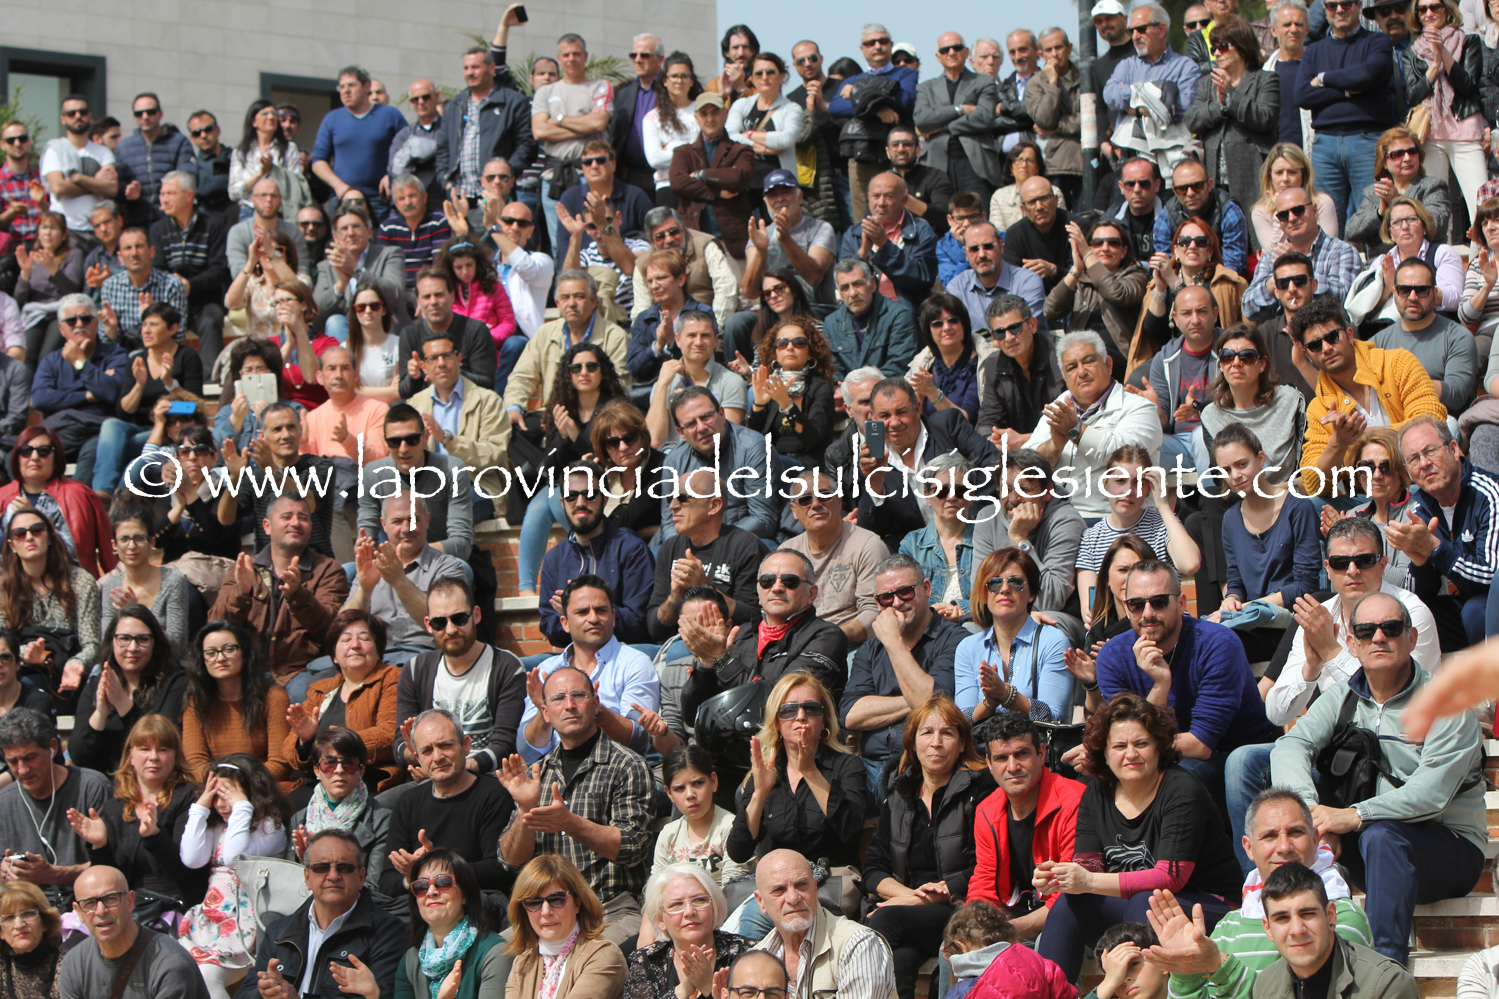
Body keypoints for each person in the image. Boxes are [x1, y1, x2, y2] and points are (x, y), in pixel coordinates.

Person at [1033, 693, 1242, 984]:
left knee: (1147, 900)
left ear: (1158, 747)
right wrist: (1061, 877)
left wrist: (1088, 881)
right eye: (1120, 746)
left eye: (1141, 744)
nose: (1130, 754)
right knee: (1069, 903)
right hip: (1139, 908)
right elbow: (1089, 867)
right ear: (1104, 752)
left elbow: (1170, 878)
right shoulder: (1095, 793)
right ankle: (1051, 992)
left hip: (1209, 906)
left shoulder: (1181, 790)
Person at [1095, 559, 1282, 844]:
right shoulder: (1113, 656)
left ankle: (1245, 870)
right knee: (1097, 778)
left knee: (1178, 774)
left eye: (1159, 602)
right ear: (1126, 606)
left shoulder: (1218, 644)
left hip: (1242, 757)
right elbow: (1130, 737)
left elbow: (1200, 745)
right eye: (1136, 604)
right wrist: (1160, 684)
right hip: (1171, 756)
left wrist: (1122, 748)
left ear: (1181, 603)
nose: (1148, 613)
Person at [1144, 788, 1374, 999]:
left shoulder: (1341, 917)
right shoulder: (1228, 927)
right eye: (1270, 836)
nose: (1284, 847)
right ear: (1248, 848)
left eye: (1296, 832)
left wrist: (1222, 967)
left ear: (1315, 839)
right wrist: (1186, 975)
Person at [496, 667, 654, 945]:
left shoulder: (628, 765)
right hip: (547, 914)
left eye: (578, 695)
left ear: (595, 704)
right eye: (558, 698)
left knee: (590, 959)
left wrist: (570, 822)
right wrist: (525, 810)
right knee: (495, 954)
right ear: (546, 713)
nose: (569, 705)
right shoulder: (537, 773)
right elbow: (510, 860)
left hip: (610, 910)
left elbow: (633, 847)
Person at [862, 697, 994, 999]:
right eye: (927, 732)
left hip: (960, 908)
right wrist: (910, 898)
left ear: (962, 744)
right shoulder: (899, 794)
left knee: (883, 921)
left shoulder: (979, 791)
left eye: (947, 733)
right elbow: (873, 867)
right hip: (910, 912)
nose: (936, 742)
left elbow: (982, 867)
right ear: (913, 742)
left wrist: (923, 900)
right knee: (899, 962)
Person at [1291, 297, 1446, 500]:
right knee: (1312, 504)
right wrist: (1338, 443)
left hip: (1423, 479)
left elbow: (1432, 424)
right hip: (1369, 498)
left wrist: (1360, 437)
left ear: (1349, 334)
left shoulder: (1398, 363)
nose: (1326, 348)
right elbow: (1314, 485)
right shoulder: (1318, 408)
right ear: (1307, 354)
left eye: (1332, 337)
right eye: (1315, 345)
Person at [716, 671, 868, 875]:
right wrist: (760, 793)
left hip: (832, 881)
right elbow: (738, 852)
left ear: (824, 721)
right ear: (776, 723)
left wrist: (811, 772)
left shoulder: (847, 765)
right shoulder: (765, 772)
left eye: (811, 708)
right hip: (778, 882)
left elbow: (851, 830)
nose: (801, 716)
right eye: (788, 710)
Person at [840, 555, 967, 795]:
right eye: (887, 598)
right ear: (878, 603)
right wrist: (916, 698)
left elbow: (934, 707)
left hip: (927, 766)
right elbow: (850, 714)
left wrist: (893, 642)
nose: (897, 603)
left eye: (905, 592)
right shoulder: (870, 649)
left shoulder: (956, 640)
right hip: (871, 767)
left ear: (926, 588)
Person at [235, 827, 405, 999]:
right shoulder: (278, 932)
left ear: (361, 877)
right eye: (321, 867)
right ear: (307, 877)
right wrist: (264, 992)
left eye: (344, 868)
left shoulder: (389, 933)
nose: (333, 876)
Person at [676, 547, 848, 717]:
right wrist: (706, 664)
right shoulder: (739, 634)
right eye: (767, 581)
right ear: (758, 592)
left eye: (790, 581)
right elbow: (693, 715)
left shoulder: (827, 637)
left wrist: (721, 660)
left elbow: (779, 706)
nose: (777, 587)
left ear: (812, 593)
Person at [209, 492, 348, 697]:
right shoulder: (245, 568)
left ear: (310, 527)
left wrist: (298, 596)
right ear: (267, 526)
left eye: (303, 518)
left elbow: (332, 631)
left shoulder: (328, 570)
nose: (295, 523)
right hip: (248, 670)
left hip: (302, 671)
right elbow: (215, 626)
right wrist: (241, 594)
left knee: (304, 695)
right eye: (286, 517)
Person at [387, 577, 526, 781]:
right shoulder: (415, 670)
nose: (451, 629)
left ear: (476, 615)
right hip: (430, 781)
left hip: (487, 780)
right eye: (439, 622)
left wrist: (459, 769)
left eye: (459, 619)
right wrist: (419, 757)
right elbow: (400, 745)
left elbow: (506, 744)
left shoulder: (507, 667)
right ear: (428, 625)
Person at [517, 343, 626, 596]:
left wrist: (576, 436)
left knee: (556, 497)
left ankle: (589, 557)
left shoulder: (614, 407)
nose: (583, 372)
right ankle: (525, 588)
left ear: (602, 371)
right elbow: (548, 466)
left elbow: (610, 455)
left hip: (607, 485)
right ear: (569, 374)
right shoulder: (562, 408)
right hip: (566, 485)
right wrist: (563, 437)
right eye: (576, 368)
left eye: (591, 366)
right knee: (539, 505)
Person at [178, 754, 291, 999]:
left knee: (208, 976)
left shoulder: (270, 826)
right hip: (211, 918)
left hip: (246, 923)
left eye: (227, 795)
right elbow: (191, 858)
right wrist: (200, 808)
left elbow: (233, 857)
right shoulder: (218, 827)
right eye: (216, 795)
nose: (221, 804)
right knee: (185, 971)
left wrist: (241, 806)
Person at [1207, 425, 1323, 661]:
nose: (1235, 475)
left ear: (1261, 459)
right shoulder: (1230, 519)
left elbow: (1305, 585)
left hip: (1293, 622)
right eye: (1226, 470)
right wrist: (1231, 599)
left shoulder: (1298, 508)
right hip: (1252, 621)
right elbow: (1236, 579)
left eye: (1242, 464)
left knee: (1218, 647)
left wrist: (1247, 606)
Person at [66, 715, 196, 924]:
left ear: (175, 756)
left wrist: (154, 835)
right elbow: (109, 877)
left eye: (163, 749)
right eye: (144, 749)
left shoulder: (189, 799)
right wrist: (99, 846)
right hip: (125, 907)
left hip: (173, 906)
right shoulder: (114, 807)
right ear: (131, 757)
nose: (153, 757)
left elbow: (186, 871)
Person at [967, 713, 1086, 939]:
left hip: (1067, 918)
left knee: (1045, 940)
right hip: (1014, 915)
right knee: (953, 946)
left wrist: (1003, 933)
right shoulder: (986, 811)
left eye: (1022, 754)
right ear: (989, 764)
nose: (1013, 767)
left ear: (1041, 753)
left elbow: (1069, 895)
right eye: (1001, 758)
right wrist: (972, 928)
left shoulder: (1075, 802)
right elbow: (984, 885)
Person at [519, 574, 663, 760]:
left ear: (613, 617)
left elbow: (638, 740)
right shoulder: (546, 670)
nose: (593, 618)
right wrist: (543, 712)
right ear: (565, 623)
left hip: (616, 770)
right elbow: (527, 751)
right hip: (556, 771)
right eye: (582, 612)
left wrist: (595, 709)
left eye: (601, 610)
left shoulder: (635, 663)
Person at [1025, 331, 1163, 523]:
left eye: (1088, 361)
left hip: (1112, 519)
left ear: (1108, 365)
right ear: (1064, 377)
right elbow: (1026, 467)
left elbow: (1125, 460)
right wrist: (1054, 446)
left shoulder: (1140, 408)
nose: (1081, 372)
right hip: (1056, 518)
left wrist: (1075, 430)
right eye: (1072, 367)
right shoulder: (1059, 407)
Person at [1388, 415, 1499, 647]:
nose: (1424, 463)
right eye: (1414, 459)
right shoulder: (1420, 509)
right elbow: (1417, 593)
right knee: (1409, 617)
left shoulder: (1490, 494)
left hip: (1488, 603)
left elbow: (1490, 577)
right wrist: (1420, 562)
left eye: (1430, 451)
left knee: (1475, 611)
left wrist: (1435, 549)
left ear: (1454, 449)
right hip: (1466, 605)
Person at [381, 708, 516, 900]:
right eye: (427, 750)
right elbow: (387, 883)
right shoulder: (407, 802)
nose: (437, 757)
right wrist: (410, 877)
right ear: (418, 758)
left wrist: (433, 869)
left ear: (466, 745)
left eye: (445, 745)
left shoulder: (495, 795)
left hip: (477, 906)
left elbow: (500, 870)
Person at [854, 378, 999, 551]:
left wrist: (969, 521)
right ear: (873, 418)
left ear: (917, 409)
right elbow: (872, 531)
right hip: (918, 553)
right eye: (885, 416)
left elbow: (993, 463)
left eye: (901, 412)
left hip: (975, 537)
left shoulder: (948, 425)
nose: (894, 422)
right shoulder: (869, 461)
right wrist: (875, 484)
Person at [500, 270, 631, 458]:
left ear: (594, 301)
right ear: (557, 303)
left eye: (579, 296)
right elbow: (522, 376)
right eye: (565, 297)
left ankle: (555, 468)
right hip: (552, 414)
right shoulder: (545, 333)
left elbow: (619, 388)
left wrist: (577, 416)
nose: (572, 303)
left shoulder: (614, 336)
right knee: (513, 428)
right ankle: (547, 472)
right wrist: (513, 406)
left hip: (594, 416)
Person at [1296, 0, 1396, 230]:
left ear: (1359, 5)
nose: (1339, 10)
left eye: (1346, 3)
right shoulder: (1313, 50)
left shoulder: (1377, 41)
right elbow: (1302, 95)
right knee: (1325, 221)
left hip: (1368, 140)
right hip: (1325, 144)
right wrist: (1348, 90)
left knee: (1373, 216)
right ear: (1324, 9)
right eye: (1332, 5)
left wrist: (1323, 79)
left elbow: (1367, 75)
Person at [1250, 863, 1418, 999]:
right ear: (1268, 928)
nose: (1297, 930)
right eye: (1282, 918)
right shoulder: (1266, 986)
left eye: (1308, 914)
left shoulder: (1386, 983)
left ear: (1330, 915)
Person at [749, 848, 897, 999]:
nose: (793, 898)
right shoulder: (756, 958)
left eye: (801, 884)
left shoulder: (858, 945)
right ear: (761, 902)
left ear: (815, 888)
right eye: (779, 890)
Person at [535, 468, 655, 649]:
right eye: (571, 496)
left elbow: (640, 622)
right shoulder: (554, 558)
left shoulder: (632, 549)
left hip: (624, 651)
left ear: (604, 499)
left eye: (589, 495)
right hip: (576, 655)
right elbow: (549, 626)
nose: (580, 503)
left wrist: (582, 609)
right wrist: (574, 616)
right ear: (562, 502)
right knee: (526, 663)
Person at [282, 607, 401, 789]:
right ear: (334, 656)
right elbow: (290, 752)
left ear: (378, 650)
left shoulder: (392, 678)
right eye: (346, 640)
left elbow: (391, 733)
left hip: (368, 781)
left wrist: (341, 741)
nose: (355, 645)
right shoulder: (319, 689)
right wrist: (306, 741)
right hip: (320, 783)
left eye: (364, 638)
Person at [0, 709, 110, 906]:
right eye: (13, 761)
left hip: (88, 906)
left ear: (53, 747)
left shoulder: (92, 787)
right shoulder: (5, 802)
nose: (22, 770)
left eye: (30, 758)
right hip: (29, 911)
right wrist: (5, 873)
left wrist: (54, 874)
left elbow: (117, 865)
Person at [93, 302, 206, 493]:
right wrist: (139, 384)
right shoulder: (136, 359)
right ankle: (103, 492)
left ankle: (118, 498)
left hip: (170, 427)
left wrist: (169, 382)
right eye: (144, 324)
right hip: (140, 428)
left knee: (123, 452)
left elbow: (195, 405)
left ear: (172, 329)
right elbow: (124, 411)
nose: (146, 330)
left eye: (153, 324)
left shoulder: (186, 356)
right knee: (111, 425)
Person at [1076, 446, 1200, 614]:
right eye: (1120, 481)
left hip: (1168, 620)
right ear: (1105, 484)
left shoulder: (1163, 523)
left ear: (1149, 488)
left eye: (1138, 483)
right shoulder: (1091, 538)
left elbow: (1190, 565)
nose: (1128, 491)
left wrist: (1164, 507)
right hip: (1117, 626)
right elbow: (1091, 609)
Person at [59, 865, 210, 999]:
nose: (101, 911)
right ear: (78, 912)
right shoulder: (75, 963)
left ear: (130, 901)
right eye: (89, 903)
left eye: (111, 899)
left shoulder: (170, 962)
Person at [68, 604, 187, 774]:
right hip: (105, 783)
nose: (132, 648)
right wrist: (100, 713)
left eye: (143, 639)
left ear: (155, 642)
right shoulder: (98, 683)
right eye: (124, 639)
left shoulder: (176, 682)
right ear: (112, 641)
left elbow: (161, 744)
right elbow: (78, 756)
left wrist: (122, 703)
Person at [0, 507, 100, 704]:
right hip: (18, 669)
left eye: (37, 530)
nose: (29, 537)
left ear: (50, 537)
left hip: (69, 669)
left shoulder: (80, 582)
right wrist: (24, 654)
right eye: (20, 534)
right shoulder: (3, 587)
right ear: (12, 545)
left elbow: (92, 643)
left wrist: (77, 662)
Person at [180, 619, 295, 789]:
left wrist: (236, 781)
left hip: (263, 788)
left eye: (229, 650)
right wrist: (223, 783)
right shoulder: (196, 701)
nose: (220, 658)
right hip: (214, 788)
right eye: (211, 653)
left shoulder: (274, 698)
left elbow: (280, 765)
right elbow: (195, 763)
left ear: (245, 654)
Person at [657, 388, 780, 543]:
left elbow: (763, 519)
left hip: (741, 541)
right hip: (692, 543)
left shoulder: (753, 448)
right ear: (681, 433)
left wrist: (711, 542)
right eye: (690, 424)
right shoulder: (674, 461)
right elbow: (670, 523)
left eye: (706, 416)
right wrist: (687, 547)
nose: (701, 427)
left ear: (721, 414)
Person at [355, 404, 475, 561]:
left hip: (440, 561)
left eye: (412, 440)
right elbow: (367, 536)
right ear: (385, 442)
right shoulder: (372, 474)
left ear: (425, 437)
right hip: (393, 563)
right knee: (348, 570)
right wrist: (364, 548)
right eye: (394, 442)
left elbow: (461, 545)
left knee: (461, 566)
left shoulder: (452, 470)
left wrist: (410, 553)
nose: (403, 449)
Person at [503, 853, 627, 999]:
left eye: (557, 899)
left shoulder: (604, 955)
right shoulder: (522, 963)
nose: (546, 911)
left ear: (577, 903)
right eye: (533, 903)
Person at [283, 728, 391, 894]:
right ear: (317, 771)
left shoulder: (381, 820)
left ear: (361, 771)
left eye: (349, 764)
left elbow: (373, 887)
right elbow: (291, 888)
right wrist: (307, 860)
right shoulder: (300, 819)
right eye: (329, 763)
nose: (339, 770)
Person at [1407, 0, 1488, 223]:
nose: (1429, 13)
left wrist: (1442, 50)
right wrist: (1434, 66)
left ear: (1447, 10)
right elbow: (1412, 96)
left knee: (1480, 204)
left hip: (1465, 133)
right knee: (1435, 209)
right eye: (1422, 9)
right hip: (1430, 134)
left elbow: (1468, 85)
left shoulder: (1469, 41)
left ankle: (1482, 247)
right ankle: (1443, 248)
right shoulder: (1412, 52)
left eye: (1435, 7)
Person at [1184, 22, 1280, 204]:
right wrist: (1219, 105)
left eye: (1223, 47)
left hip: (1252, 173)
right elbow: (1192, 121)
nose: (1217, 53)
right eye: (1214, 49)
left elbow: (1264, 118)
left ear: (1243, 48)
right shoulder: (1207, 82)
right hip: (1214, 177)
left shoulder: (1265, 79)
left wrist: (1230, 94)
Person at [626, 862, 756, 996]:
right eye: (676, 904)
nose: (689, 911)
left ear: (714, 908)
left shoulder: (746, 953)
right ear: (661, 920)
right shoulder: (646, 961)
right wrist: (682, 991)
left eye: (699, 900)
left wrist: (707, 986)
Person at [0, 425, 114, 578]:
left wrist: (34, 516)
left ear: (56, 457)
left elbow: (104, 553)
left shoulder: (79, 494)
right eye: (26, 451)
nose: (34, 457)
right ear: (16, 456)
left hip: (71, 583)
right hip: (15, 586)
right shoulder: (2, 497)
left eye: (44, 451)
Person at [1374, 256, 1476, 414]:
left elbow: (1457, 395)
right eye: (1404, 290)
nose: (1412, 297)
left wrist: (1409, 377)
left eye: (1422, 290)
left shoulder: (1458, 337)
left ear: (1434, 293)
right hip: (1389, 421)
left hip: (1439, 420)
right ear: (1394, 292)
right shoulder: (1378, 342)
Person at [1045, 218, 1149, 372]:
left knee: (1091, 356)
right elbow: (1050, 310)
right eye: (1098, 243)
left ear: (1124, 251)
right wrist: (1076, 270)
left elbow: (1117, 294)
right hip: (1079, 354)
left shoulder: (1136, 276)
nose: (1105, 248)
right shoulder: (1081, 279)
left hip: (1121, 358)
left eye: (1113, 243)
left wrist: (1088, 254)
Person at [1241, 187, 1361, 320]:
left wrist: (1300, 266)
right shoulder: (1272, 257)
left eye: (1298, 210)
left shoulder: (1342, 251)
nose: (1292, 218)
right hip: (1283, 331)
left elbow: (1346, 300)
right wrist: (1275, 280)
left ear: (1315, 210)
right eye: (1284, 215)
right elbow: (1248, 308)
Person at [435, 45, 536, 203]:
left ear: (491, 68)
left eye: (475, 67)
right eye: (466, 68)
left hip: (497, 194)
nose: (470, 72)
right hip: (460, 196)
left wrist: (503, 175)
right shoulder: (454, 106)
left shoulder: (514, 102)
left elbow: (527, 145)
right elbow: (443, 149)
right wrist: (446, 183)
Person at [1101, 4, 1202, 157]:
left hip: (1171, 155)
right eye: (1131, 31)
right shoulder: (1127, 66)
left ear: (1161, 29)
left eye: (1141, 29)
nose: (1135, 36)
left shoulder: (1185, 66)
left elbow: (1184, 108)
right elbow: (1110, 94)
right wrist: (1158, 100)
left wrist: (1134, 106)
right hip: (1133, 157)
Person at [913, 34, 1003, 204]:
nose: (952, 52)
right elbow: (922, 120)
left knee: (977, 215)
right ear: (938, 57)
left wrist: (942, 127)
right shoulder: (926, 87)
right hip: (936, 162)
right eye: (945, 50)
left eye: (957, 48)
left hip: (975, 163)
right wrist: (960, 110)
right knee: (940, 215)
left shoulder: (984, 82)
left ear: (966, 52)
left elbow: (985, 117)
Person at [668, 93, 756, 259]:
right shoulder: (683, 152)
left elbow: (737, 178)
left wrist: (701, 174)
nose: (710, 119)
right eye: (704, 114)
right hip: (694, 243)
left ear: (725, 114)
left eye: (715, 112)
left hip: (733, 242)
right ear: (696, 117)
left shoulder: (741, 150)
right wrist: (717, 192)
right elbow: (677, 182)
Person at [836, 173, 938, 314]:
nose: (881, 203)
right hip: (865, 314)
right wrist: (863, 252)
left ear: (904, 200)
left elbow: (921, 278)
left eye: (889, 197)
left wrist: (884, 245)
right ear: (868, 199)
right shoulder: (854, 234)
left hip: (907, 313)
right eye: (876, 196)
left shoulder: (921, 231)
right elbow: (844, 280)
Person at [312, 67, 407, 217]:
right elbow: (318, 162)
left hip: (381, 199)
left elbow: (407, 150)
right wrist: (339, 186)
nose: (346, 91)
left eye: (351, 85)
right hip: (343, 199)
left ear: (366, 87)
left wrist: (391, 175)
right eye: (342, 86)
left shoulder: (390, 115)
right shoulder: (332, 119)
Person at [1139, 220, 1246, 348]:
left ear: (1210, 252)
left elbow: (1213, 326)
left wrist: (1173, 281)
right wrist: (1160, 288)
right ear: (1176, 251)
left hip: (1215, 353)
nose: (1192, 246)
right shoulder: (1163, 280)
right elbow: (1153, 330)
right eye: (1185, 241)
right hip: (1170, 355)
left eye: (1201, 242)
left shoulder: (1224, 283)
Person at [895, 455, 977, 622]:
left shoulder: (987, 538)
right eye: (941, 491)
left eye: (960, 490)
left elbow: (995, 595)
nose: (951, 497)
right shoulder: (911, 544)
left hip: (975, 625)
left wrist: (960, 608)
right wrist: (934, 614)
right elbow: (905, 599)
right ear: (927, 496)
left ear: (972, 495)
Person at [745, 318, 837, 466]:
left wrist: (786, 405)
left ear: (810, 353)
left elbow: (812, 438)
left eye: (799, 343)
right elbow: (749, 439)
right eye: (782, 343)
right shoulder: (770, 386)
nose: (789, 347)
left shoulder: (821, 387)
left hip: (808, 465)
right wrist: (759, 405)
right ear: (775, 352)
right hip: (773, 462)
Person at [975, 298, 1065, 444]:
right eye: (1000, 332)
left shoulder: (1063, 355)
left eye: (1015, 328)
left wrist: (1024, 440)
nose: (1009, 338)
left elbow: (1080, 420)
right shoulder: (993, 365)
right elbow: (988, 419)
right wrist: (993, 439)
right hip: (1017, 452)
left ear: (1032, 325)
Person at [1344, 128, 1450, 250]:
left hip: (1423, 258)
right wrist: (1379, 214)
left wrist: (1397, 200)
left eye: (1412, 151)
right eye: (1398, 154)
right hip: (1383, 258)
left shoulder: (1433, 186)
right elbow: (1351, 232)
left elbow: (1436, 224)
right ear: (1384, 162)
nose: (1407, 158)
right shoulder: (1375, 192)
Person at [1365, 200, 1465, 325]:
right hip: (1391, 330)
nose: (1405, 226)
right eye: (1396, 222)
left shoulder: (1443, 253)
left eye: (1411, 219)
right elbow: (1367, 311)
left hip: (1438, 329)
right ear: (1390, 233)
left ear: (1424, 226)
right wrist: (1388, 289)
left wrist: (1414, 290)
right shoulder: (1381, 262)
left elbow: (1456, 298)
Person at [822, 259, 923, 379]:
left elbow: (898, 366)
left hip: (887, 388)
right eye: (845, 288)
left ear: (873, 284)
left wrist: (861, 386)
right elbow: (832, 369)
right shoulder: (831, 323)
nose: (853, 293)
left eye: (858, 284)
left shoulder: (898, 316)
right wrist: (839, 387)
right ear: (839, 292)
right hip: (846, 390)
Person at [38, 95, 118, 242]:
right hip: (66, 231)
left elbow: (112, 188)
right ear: (63, 119)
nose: (78, 116)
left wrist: (78, 178)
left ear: (89, 115)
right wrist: (95, 183)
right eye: (71, 113)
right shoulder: (55, 150)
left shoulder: (103, 152)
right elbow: (58, 188)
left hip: (98, 229)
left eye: (83, 112)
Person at [313, 206, 407, 323]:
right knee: (335, 321)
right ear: (335, 237)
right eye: (344, 228)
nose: (351, 233)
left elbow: (395, 295)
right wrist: (340, 286)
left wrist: (356, 271)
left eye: (356, 226)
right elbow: (315, 310)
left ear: (369, 232)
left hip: (383, 325)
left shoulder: (389, 254)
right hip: (344, 329)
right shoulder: (327, 266)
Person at [590, 399, 666, 541]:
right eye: (612, 442)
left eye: (630, 438)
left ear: (643, 437)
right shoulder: (599, 471)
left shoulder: (661, 468)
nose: (623, 447)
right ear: (604, 449)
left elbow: (626, 521)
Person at [13, 212, 84, 360]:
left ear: (64, 235)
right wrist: (25, 271)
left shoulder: (73, 254)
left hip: (60, 312)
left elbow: (72, 291)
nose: (48, 233)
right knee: (27, 355)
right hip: (36, 313)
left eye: (53, 228)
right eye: (44, 227)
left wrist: (52, 268)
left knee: (47, 356)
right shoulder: (32, 257)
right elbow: (19, 299)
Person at [438, 238, 517, 362]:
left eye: (469, 265)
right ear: (450, 268)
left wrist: (486, 336)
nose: (465, 272)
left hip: (490, 353)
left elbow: (508, 322)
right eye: (458, 267)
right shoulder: (444, 292)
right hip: (457, 356)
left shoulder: (493, 287)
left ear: (477, 263)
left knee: (516, 344)